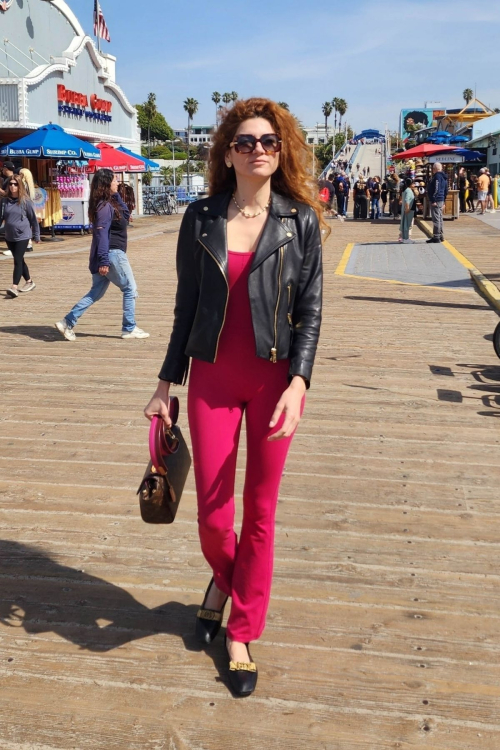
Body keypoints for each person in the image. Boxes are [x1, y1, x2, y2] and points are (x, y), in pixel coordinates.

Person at [143, 98, 323, 697]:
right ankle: (226, 580)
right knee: (215, 516)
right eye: (246, 141)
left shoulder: (299, 220)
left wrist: (299, 382)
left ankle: (241, 631)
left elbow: (310, 311)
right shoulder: (200, 218)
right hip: (213, 379)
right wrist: (166, 384)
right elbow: (185, 307)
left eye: (269, 141)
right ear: (227, 152)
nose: (258, 150)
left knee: (262, 512)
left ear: (282, 149)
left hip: (275, 382)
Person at [55, 169, 149, 341]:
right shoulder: (105, 207)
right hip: (112, 254)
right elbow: (101, 234)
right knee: (130, 288)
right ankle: (129, 328)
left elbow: (127, 216)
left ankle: (67, 322)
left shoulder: (108, 203)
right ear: (106, 184)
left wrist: (117, 196)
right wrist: (104, 261)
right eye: (114, 180)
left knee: (95, 293)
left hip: (107, 254)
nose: (118, 183)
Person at [0, 174, 39, 297]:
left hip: (23, 235)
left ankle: (14, 287)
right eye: (10, 184)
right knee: (20, 259)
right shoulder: (4, 201)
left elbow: (33, 220)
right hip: (9, 235)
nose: (12, 186)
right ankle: (29, 281)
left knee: (17, 260)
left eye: (15, 184)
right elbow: (1, 218)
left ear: (20, 186)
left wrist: (36, 235)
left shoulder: (26, 201)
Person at [426, 162, 448, 243]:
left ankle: (436, 236)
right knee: (440, 218)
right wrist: (444, 200)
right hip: (441, 199)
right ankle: (440, 235)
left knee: (436, 219)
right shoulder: (444, 177)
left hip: (437, 200)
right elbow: (446, 190)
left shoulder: (437, 177)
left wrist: (433, 199)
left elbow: (436, 188)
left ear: (435, 169)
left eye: (433, 168)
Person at [400, 178, 416, 243]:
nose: (414, 184)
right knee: (407, 224)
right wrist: (407, 208)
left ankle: (404, 238)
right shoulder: (409, 190)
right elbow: (407, 200)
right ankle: (406, 238)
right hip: (409, 209)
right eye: (413, 183)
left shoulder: (405, 190)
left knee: (405, 223)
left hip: (405, 209)